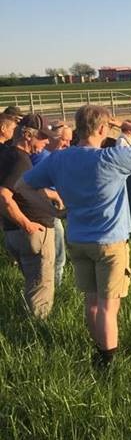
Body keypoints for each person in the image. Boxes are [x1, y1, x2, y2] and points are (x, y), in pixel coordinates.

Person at [23, 105, 131, 367]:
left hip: (78, 239)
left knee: (91, 302)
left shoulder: (59, 159)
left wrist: (51, 208)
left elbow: (25, 185)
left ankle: (97, 347)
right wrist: (128, 126)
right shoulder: (112, 158)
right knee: (109, 308)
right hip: (110, 242)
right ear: (102, 128)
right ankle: (107, 362)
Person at [0, 114, 59, 319]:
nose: (46, 142)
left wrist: (52, 194)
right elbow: (4, 196)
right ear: (27, 135)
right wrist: (27, 224)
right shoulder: (20, 160)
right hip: (32, 233)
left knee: (33, 283)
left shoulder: (6, 154)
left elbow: (20, 189)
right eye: (42, 137)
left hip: (12, 232)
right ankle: (37, 333)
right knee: (40, 288)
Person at [29, 122, 73, 287]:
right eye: (64, 140)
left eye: (69, 141)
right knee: (57, 253)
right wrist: (56, 195)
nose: (67, 144)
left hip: (49, 208)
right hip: (46, 209)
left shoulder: (50, 155)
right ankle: (55, 288)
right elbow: (29, 186)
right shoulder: (43, 157)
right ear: (53, 138)